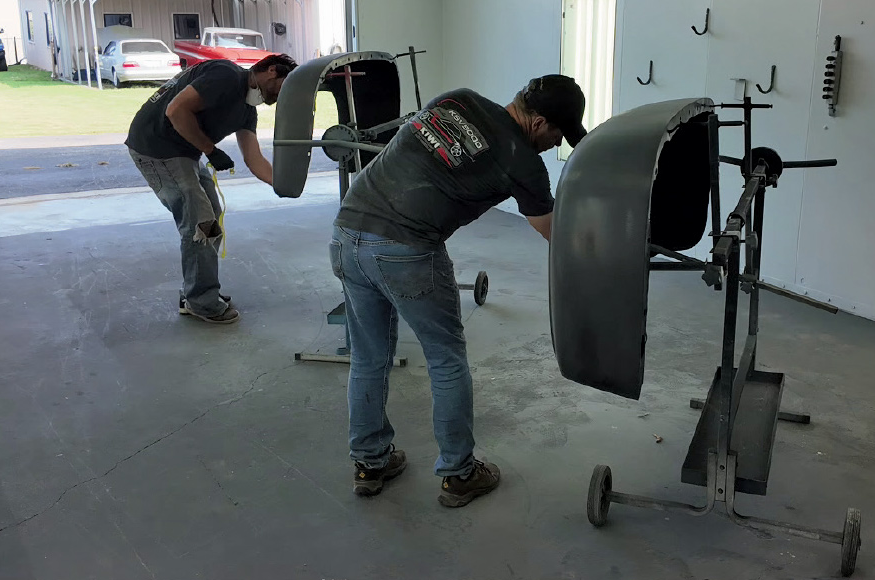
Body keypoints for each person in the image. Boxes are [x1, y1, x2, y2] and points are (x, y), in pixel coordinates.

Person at [330, 74, 587, 506]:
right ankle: (459, 473)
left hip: (347, 232)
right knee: (445, 360)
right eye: (559, 133)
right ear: (540, 122)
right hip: (407, 250)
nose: (557, 142)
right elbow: (554, 233)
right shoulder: (523, 162)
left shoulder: (458, 99)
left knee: (369, 357)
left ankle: (370, 463)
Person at [125, 54, 299, 324]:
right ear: (272, 71)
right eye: (282, 87)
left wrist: (284, 184)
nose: (280, 96)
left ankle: (195, 290)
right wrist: (210, 150)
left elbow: (254, 159)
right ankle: (201, 301)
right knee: (200, 224)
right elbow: (175, 110)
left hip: (185, 153)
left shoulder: (246, 110)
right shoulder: (225, 76)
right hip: (156, 148)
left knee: (212, 218)